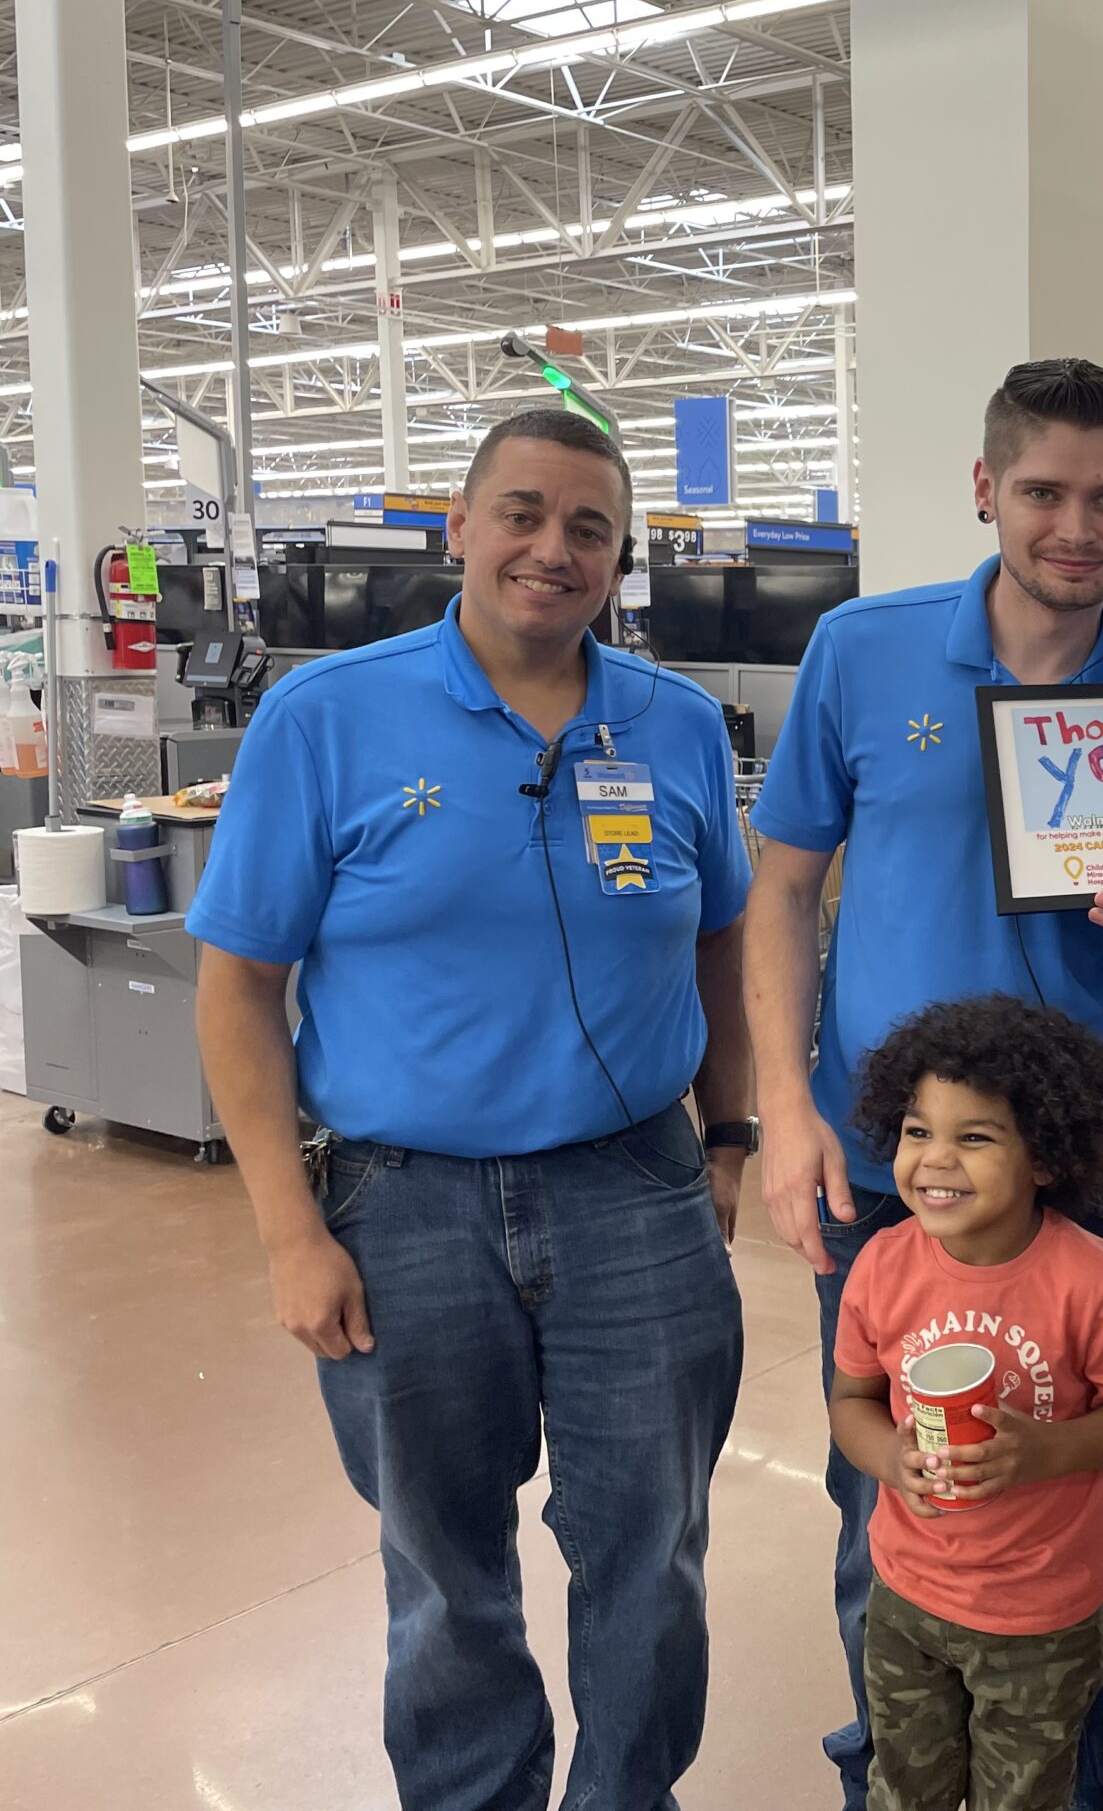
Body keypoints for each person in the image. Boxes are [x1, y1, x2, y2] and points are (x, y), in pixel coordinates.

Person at [191, 407, 755, 1811]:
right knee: (445, 1571)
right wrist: (286, 1232)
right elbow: (238, 989)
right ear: (459, 525)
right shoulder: (325, 719)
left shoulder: (674, 727)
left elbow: (724, 944)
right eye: (521, 513)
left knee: (653, 1555)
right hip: (405, 1205)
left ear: (622, 556)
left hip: (636, 1192)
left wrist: (731, 1131)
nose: (550, 551)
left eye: (588, 528)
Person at [745, 358, 1103, 1811]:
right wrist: (785, 1107)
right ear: (984, 492)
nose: (1076, 526)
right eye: (1043, 493)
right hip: (894, 1176)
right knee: (886, 1486)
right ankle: (896, 1772)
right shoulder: (864, 652)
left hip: (1089, 1173)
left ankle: (1100, 1782)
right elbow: (781, 890)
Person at [830, 995, 1103, 1811]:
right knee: (903, 1789)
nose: (936, 1160)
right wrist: (890, 1459)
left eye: (974, 1136)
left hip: (1042, 1614)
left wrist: (1045, 1451)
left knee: (1019, 1799)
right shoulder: (881, 1265)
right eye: (918, 1132)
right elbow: (850, 1397)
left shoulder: (1090, 1280)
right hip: (906, 1597)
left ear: (1045, 1158)